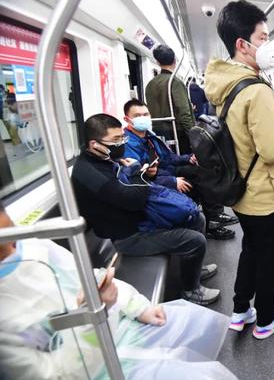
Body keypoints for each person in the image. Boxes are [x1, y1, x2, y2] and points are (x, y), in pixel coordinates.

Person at [0, 206, 238, 380]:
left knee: (189, 324)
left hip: (117, 326)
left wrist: (137, 306)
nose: (15, 251)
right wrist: (91, 318)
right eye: (3, 251)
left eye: (14, 240)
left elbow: (91, 278)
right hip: (95, 365)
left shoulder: (35, 247)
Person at [205, 0, 274, 339]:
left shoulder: (224, 83)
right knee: (272, 260)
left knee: (251, 250)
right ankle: (266, 321)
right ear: (242, 44)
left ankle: (241, 310)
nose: (268, 44)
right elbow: (271, 151)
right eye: (263, 37)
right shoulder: (256, 90)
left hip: (240, 189)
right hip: (265, 193)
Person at [70, 114, 219, 305]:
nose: (121, 144)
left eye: (122, 137)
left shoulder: (104, 157)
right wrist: (136, 172)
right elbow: (133, 200)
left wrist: (142, 173)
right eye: (116, 140)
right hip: (127, 236)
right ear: (94, 144)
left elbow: (129, 190)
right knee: (195, 241)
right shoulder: (90, 173)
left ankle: (195, 270)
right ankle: (191, 291)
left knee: (197, 218)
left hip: (139, 220)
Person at [122, 99, 236, 240]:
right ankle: (207, 222)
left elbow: (167, 158)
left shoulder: (149, 135)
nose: (143, 118)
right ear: (127, 119)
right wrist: (172, 181)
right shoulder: (128, 145)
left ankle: (214, 218)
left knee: (203, 170)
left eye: (145, 114)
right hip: (154, 184)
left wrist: (188, 158)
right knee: (196, 181)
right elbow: (140, 177)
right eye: (137, 116)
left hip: (164, 172)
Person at [145, 44, 194, 152]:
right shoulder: (175, 82)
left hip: (157, 131)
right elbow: (184, 113)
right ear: (175, 60)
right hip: (177, 132)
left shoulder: (150, 84)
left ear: (158, 62)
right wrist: (193, 135)